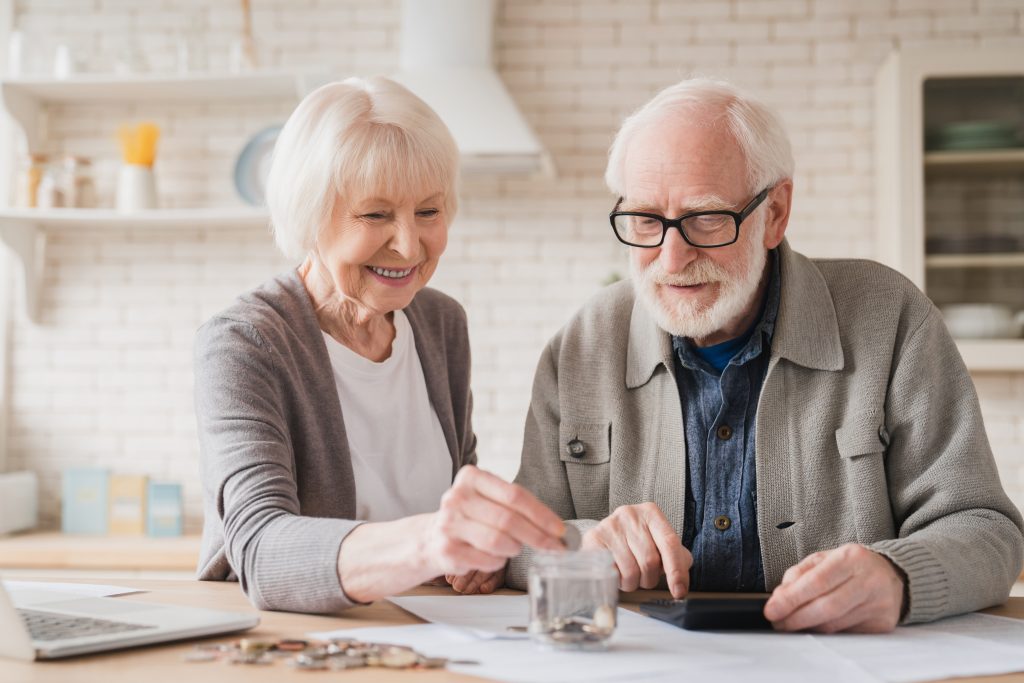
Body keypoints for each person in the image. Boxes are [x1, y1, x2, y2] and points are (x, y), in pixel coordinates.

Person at [500, 77, 1024, 632]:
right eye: (647, 220)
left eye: (706, 218)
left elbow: (988, 531)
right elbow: (511, 546)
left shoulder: (889, 317)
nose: (671, 259)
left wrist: (898, 576)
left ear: (775, 213)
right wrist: (584, 544)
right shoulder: (582, 344)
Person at [194, 77, 567, 614]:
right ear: (309, 212)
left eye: (429, 212)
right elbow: (261, 549)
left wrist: (480, 553)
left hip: (434, 636)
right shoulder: (245, 343)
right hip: (299, 645)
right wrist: (429, 543)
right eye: (375, 214)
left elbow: (457, 502)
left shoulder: (440, 324)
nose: (409, 245)